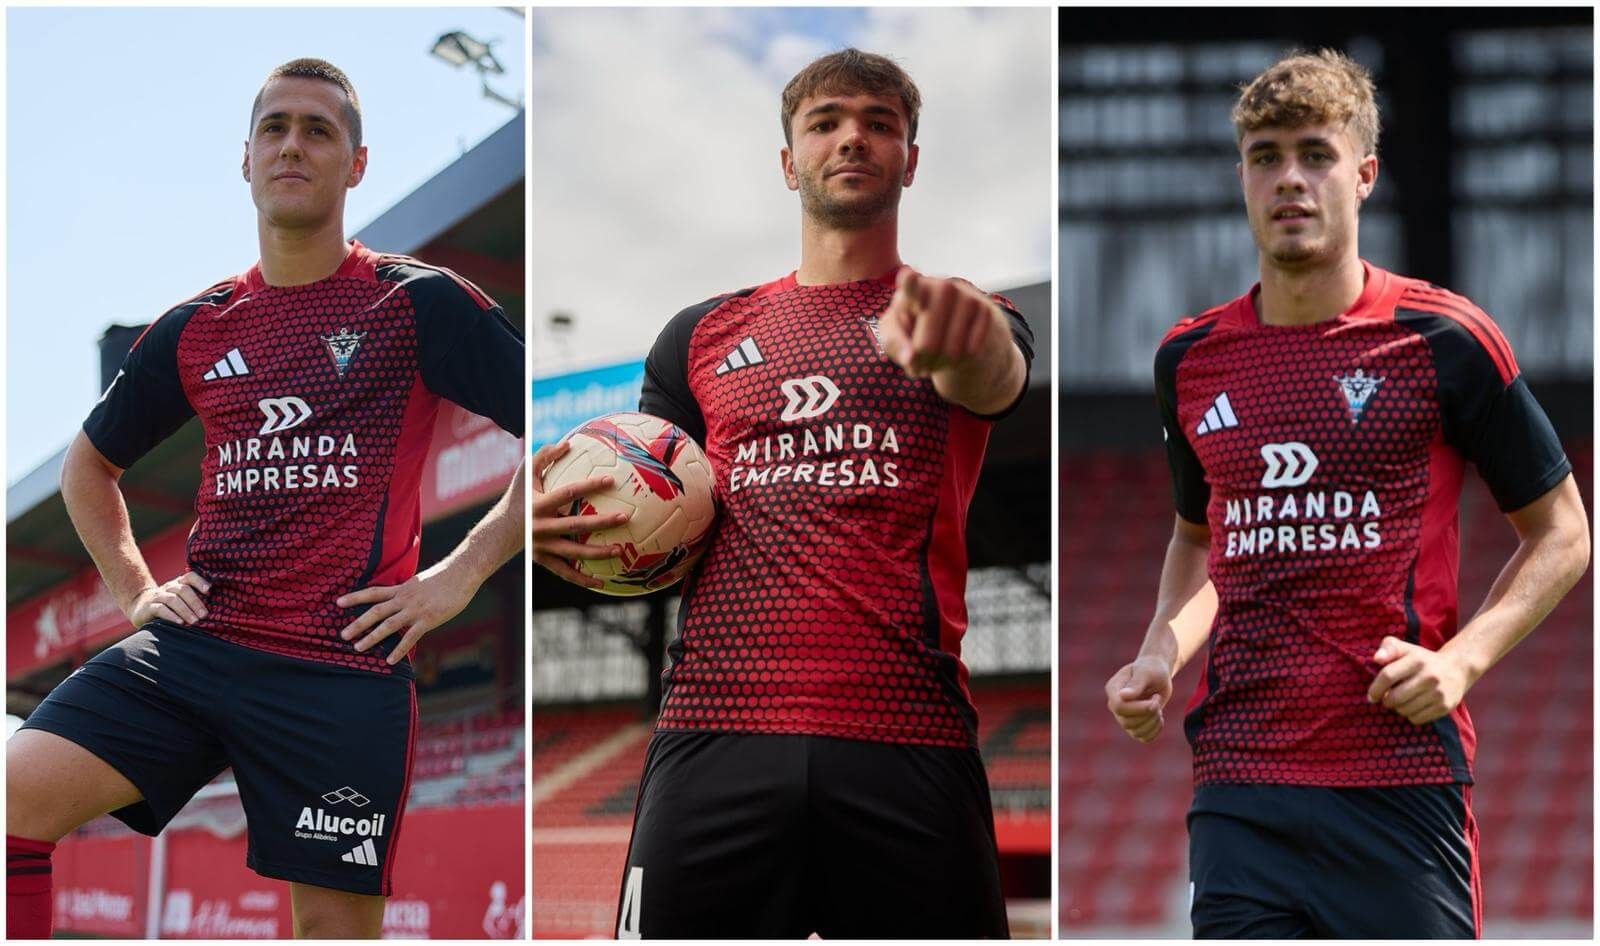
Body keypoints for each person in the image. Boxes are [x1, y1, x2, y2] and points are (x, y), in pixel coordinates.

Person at [6, 59, 525, 940]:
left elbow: (553, 430)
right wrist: (137, 592)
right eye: (275, 128)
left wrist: (459, 575)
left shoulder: (418, 303)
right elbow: (86, 469)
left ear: (356, 163)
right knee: (14, 801)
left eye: (319, 130)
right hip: (195, 647)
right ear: (244, 158)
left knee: (331, 931)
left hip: (340, 667)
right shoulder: (197, 326)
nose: (293, 145)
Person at [532, 48, 1033, 938]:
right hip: (712, 726)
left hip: (908, 732)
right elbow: (652, 508)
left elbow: (995, 377)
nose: (853, 138)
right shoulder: (698, 335)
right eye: (826, 122)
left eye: (880, 123)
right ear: (788, 161)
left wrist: (971, 341)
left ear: (911, 159)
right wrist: (569, 527)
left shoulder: (959, 313)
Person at [1103, 49, 1589, 939]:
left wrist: (1461, 662)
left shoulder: (1445, 338)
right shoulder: (1189, 358)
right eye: (1266, 157)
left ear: (1363, 175)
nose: (1290, 178)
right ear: (1243, 178)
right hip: (1239, 786)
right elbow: (1200, 536)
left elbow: (1563, 532)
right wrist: (1158, 653)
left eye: (1315, 155)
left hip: (1398, 783)